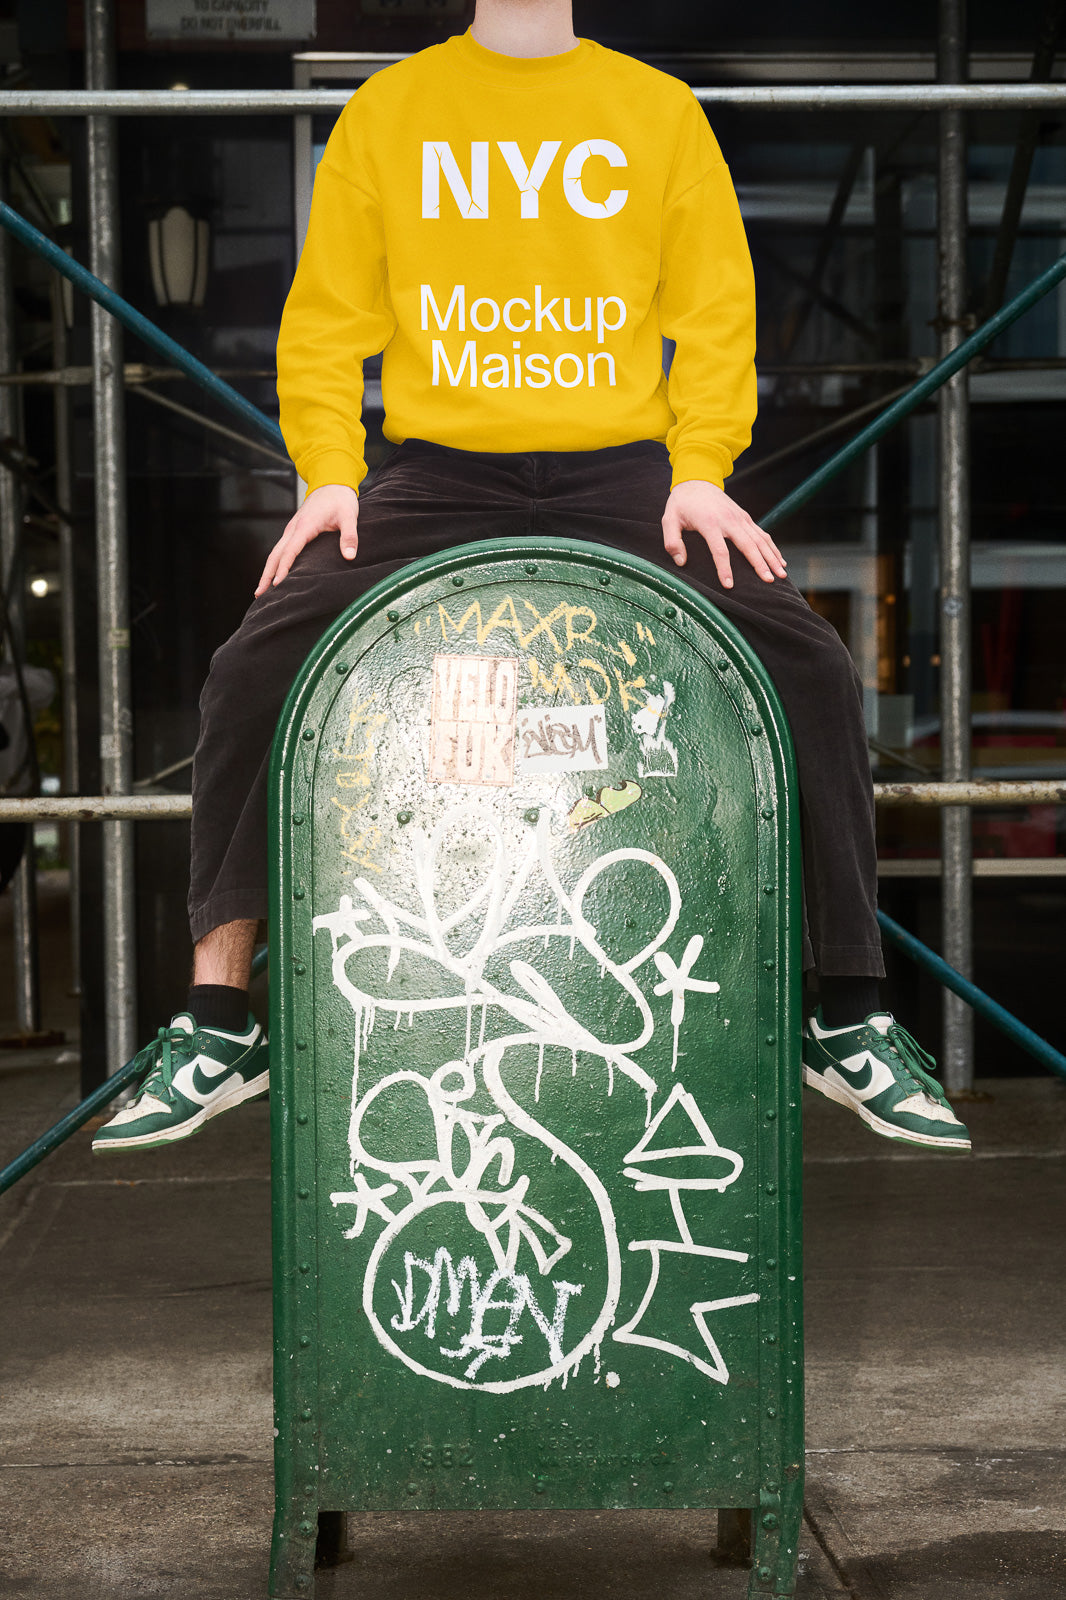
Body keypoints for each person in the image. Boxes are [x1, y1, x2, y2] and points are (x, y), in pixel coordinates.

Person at [93, 0, 969, 1155]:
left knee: (801, 656)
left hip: (626, 474)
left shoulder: (653, 111)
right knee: (255, 662)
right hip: (435, 470)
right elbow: (325, 321)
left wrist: (700, 471)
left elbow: (714, 313)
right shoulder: (391, 108)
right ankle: (218, 1022)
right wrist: (327, 474)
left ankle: (845, 1012)